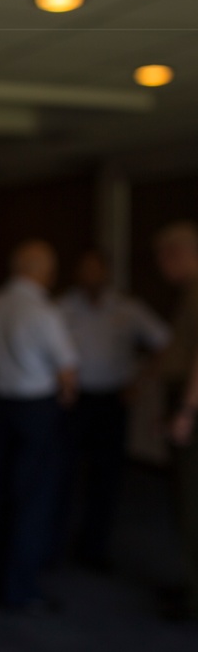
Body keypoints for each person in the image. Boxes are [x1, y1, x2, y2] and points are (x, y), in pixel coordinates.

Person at [0, 240, 78, 612]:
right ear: (39, 270)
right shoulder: (43, 311)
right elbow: (67, 370)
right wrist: (67, 396)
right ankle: (20, 588)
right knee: (33, 500)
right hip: (36, 411)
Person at [57, 249, 169, 571]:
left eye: (97, 270)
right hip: (75, 401)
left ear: (107, 273)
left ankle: (95, 546)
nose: (91, 275)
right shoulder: (63, 307)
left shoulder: (127, 308)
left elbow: (164, 341)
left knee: (106, 477)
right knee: (63, 473)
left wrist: (141, 382)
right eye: (85, 269)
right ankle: (56, 541)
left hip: (111, 401)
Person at [154, 221, 198, 621]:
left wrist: (185, 411)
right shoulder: (187, 293)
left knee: (192, 502)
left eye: (163, 257)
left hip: (193, 407)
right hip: (185, 401)